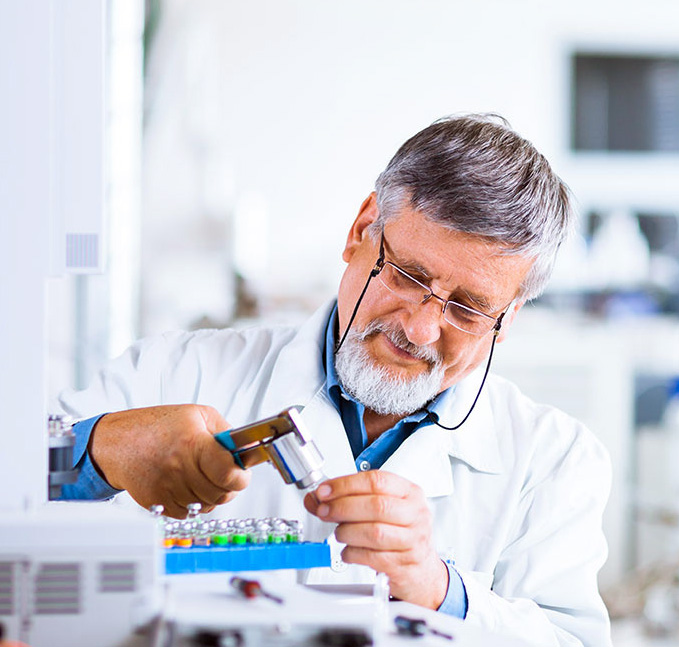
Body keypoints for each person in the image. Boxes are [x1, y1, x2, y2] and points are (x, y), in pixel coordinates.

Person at [56, 114, 612, 646]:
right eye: (408, 275)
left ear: (507, 320)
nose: (419, 331)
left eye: (467, 309)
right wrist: (101, 450)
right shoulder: (174, 372)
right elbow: (20, 510)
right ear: (362, 230)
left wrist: (437, 589)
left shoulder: (554, 460)